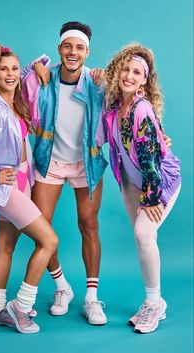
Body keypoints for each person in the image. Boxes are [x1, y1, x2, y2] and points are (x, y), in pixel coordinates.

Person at [0, 44, 58, 334]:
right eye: (3, 68)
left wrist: (37, 66)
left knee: (5, 246)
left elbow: (32, 72)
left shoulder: (13, 101)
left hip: (21, 183)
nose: (10, 74)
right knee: (49, 241)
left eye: (14, 69)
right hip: (8, 190)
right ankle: (21, 305)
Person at [21, 21, 108, 325]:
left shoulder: (98, 83)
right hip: (51, 162)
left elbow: (128, 106)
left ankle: (92, 298)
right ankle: (62, 287)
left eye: (80, 48)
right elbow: (12, 82)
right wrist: (35, 68)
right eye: (68, 46)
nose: (73, 52)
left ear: (87, 52)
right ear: (60, 49)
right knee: (40, 229)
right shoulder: (43, 78)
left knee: (89, 225)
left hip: (87, 163)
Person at [103, 43, 181, 333]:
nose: (129, 75)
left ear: (144, 80)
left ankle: (154, 302)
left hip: (158, 180)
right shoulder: (114, 108)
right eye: (125, 68)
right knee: (143, 239)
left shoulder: (141, 109)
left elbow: (149, 159)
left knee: (143, 232)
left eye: (137, 72)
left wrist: (151, 197)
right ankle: (154, 301)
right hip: (130, 181)